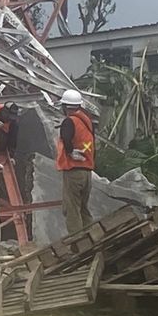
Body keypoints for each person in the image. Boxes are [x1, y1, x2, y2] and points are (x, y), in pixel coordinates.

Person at [57, 89, 96, 234]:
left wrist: (70, 151)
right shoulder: (87, 121)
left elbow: (66, 138)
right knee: (83, 209)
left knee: (72, 209)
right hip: (87, 171)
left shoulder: (69, 121)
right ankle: (92, 239)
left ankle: (79, 247)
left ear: (65, 106)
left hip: (74, 171)